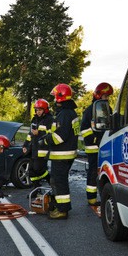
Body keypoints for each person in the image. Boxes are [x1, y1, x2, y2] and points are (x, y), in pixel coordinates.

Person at [80, 82, 113, 215]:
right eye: (105, 96)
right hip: (93, 147)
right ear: (98, 95)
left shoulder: (107, 109)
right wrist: (95, 139)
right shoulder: (89, 111)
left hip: (104, 146)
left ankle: (103, 196)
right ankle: (92, 199)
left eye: (108, 96)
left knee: (104, 173)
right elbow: (84, 130)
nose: (107, 99)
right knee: (93, 172)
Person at [46, 83, 79, 219]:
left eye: (55, 97)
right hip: (66, 153)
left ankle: (62, 210)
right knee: (59, 180)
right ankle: (61, 207)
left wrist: (46, 139)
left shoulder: (65, 114)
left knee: (59, 181)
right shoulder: (69, 112)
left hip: (62, 154)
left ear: (60, 97)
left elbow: (60, 136)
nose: (54, 100)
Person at [22, 98, 52, 187]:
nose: (38, 112)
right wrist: (25, 145)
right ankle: (36, 190)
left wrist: (39, 133)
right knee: (31, 171)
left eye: (40, 110)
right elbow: (30, 134)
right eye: (37, 110)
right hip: (34, 149)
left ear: (45, 110)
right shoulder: (34, 119)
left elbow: (51, 134)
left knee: (39, 170)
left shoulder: (49, 120)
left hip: (43, 150)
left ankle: (54, 187)